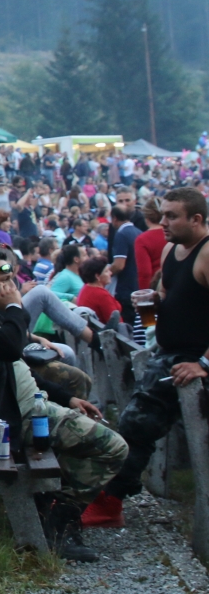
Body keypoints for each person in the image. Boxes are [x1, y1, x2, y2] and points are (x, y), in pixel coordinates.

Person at [0, 249, 127, 561]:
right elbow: (12, 348)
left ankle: (50, 500)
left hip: (22, 407)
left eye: (11, 281)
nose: (11, 287)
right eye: (4, 282)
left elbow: (18, 370)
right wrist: (14, 307)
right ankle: (60, 521)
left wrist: (67, 398)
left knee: (86, 417)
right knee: (114, 448)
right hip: (14, 421)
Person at [106, 189, 209, 512]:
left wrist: (203, 364)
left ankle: (110, 503)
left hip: (189, 360)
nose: (162, 222)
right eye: (162, 214)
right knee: (134, 424)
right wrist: (149, 305)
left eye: (171, 216)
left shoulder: (206, 254)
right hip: (167, 353)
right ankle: (110, 500)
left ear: (196, 219)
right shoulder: (169, 250)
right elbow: (162, 302)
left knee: (135, 424)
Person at [107, 203, 140, 325]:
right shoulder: (138, 232)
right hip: (137, 285)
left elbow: (119, 265)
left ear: (114, 218)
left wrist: (104, 274)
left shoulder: (121, 234)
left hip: (125, 289)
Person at [75, 257, 122, 325]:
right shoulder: (102, 295)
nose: (110, 273)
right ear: (97, 276)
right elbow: (117, 324)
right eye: (106, 271)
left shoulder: (86, 288)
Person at [134, 199, 167, 291]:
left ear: (146, 217)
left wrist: (144, 294)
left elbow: (145, 273)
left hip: (156, 287)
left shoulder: (142, 239)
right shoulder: (174, 234)